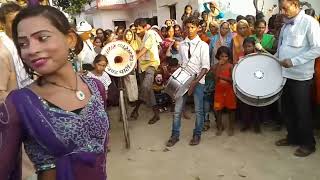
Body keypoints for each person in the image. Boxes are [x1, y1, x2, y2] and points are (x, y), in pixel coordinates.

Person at [0, 5, 109, 180]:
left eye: (42, 38)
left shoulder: (96, 87)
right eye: (23, 44)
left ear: (70, 39)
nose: (31, 50)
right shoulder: (19, 104)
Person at [275, 0, 320, 157]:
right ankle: (292, 137)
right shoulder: (286, 25)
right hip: (285, 75)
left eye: (285, 8)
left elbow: (317, 49)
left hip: (301, 77)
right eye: (281, 9)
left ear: (296, 4)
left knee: (302, 111)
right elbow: (282, 48)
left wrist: (294, 61)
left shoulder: (310, 23)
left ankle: (308, 144)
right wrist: (272, 59)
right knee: (288, 109)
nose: (282, 12)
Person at [166, 16, 210, 147]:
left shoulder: (203, 45)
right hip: (183, 80)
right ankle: (175, 135)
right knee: (178, 109)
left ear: (198, 28)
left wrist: (194, 83)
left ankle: (197, 134)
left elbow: (205, 67)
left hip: (198, 81)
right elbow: (181, 63)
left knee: (198, 110)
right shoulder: (182, 45)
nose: (190, 30)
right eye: (188, 27)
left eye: (193, 27)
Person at [129, 18, 161, 124]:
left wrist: (133, 61)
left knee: (145, 87)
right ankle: (156, 114)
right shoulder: (135, 36)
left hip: (151, 64)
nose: (137, 31)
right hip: (141, 67)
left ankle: (136, 109)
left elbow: (143, 50)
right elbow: (134, 49)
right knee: (148, 90)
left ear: (145, 27)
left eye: (139, 29)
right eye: (136, 29)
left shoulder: (150, 34)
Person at [0, 2, 32, 89]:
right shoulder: (3, 50)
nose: (18, 25)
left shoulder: (26, 41)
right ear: (2, 24)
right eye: (13, 22)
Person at [212, 46, 236, 136]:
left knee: (231, 110)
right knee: (218, 110)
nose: (223, 58)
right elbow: (215, 78)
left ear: (229, 57)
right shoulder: (215, 67)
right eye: (221, 56)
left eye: (226, 56)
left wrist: (222, 77)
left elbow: (232, 80)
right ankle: (219, 127)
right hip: (219, 92)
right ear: (218, 56)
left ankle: (231, 128)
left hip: (229, 91)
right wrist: (219, 66)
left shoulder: (231, 66)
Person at [123, 29, 140, 103]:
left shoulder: (136, 43)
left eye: (130, 34)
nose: (128, 36)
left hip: (133, 65)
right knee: (127, 82)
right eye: (127, 34)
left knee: (133, 81)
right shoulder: (122, 44)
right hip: (124, 65)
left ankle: (135, 98)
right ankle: (130, 99)